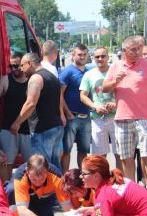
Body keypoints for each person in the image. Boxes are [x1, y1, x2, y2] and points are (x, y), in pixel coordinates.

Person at [102, 36, 147, 194]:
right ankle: (132, 191)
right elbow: (104, 88)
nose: (138, 52)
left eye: (139, 49)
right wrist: (115, 81)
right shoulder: (115, 66)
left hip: (145, 117)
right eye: (133, 50)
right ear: (124, 51)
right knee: (126, 157)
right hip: (122, 118)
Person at [6, 154, 82, 216]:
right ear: (27, 171)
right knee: (10, 191)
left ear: (47, 172)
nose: (37, 183)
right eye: (33, 179)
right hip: (22, 204)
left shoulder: (56, 177)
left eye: (41, 179)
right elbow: (23, 212)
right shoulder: (20, 177)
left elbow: (68, 210)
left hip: (43, 200)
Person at [10, 52, 65, 170]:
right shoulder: (52, 76)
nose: (21, 69)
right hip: (56, 126)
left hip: (43, 129)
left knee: (41, 167)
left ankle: (44, 189)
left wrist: (17, 122)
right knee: (54, 167)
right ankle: (57, 188)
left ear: (29, 64)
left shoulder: (35, 78)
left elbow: (30, 103)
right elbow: (60, 98)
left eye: (22, 65)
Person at [80, 46, 121, 168]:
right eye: (97, 57)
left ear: (108, 57)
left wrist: (116, 104)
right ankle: (103, 183)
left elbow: (126, 94)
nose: (100, 59)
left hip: (117, 118)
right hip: (98, 119)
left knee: (119, 154)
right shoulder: (88, 75)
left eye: (103, 56)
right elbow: (83, 96)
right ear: (93, 58)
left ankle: (119, 181)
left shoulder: (116, 72)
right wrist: (94, 106)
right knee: (99, 156)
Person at [0, 51, 31, 179]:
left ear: (24, 65)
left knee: (31, 164)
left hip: (28, 130)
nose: (14, 69)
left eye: (17, 66)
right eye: (11, 66)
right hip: (8, 129)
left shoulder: (32, 81)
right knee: (6, 163)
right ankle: (7, 191)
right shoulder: (5, 80)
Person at [59, 44, 92, 172]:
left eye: (84, 54)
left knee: (84, 151)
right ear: (73, 55)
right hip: (71, 117)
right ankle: (65, 179)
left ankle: (83, 179)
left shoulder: (89, 72)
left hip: (86, 117)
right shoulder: (67, 71)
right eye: (79, 54)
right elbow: (59, 94)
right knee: (67, 151)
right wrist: (66, 114)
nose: (82, 57)